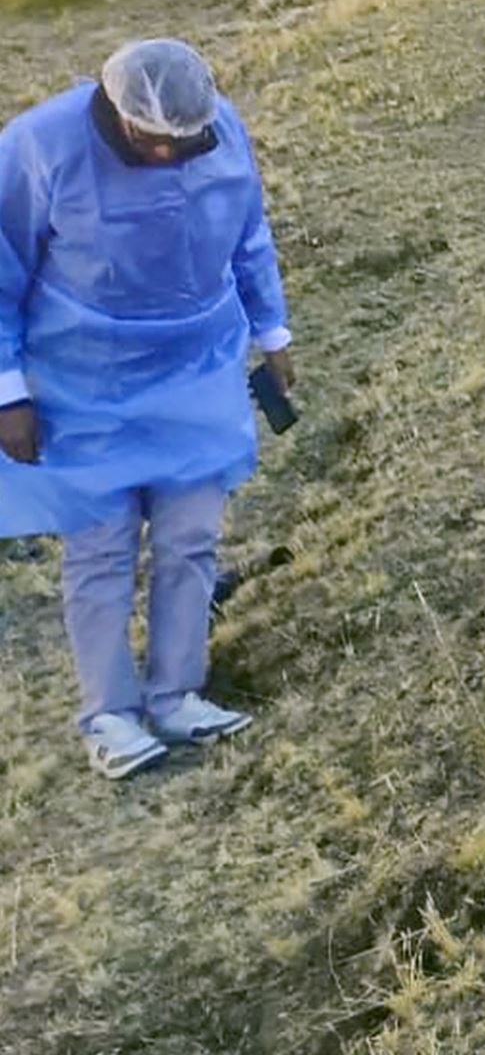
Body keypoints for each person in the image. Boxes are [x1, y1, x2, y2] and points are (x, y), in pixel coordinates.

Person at [0, 39, 296, 779]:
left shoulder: (217, 127)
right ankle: (110, 715)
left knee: (190, 536)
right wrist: (8, 390)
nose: (170, 154)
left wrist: (273, 330)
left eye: (184, 142)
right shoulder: (40, 145)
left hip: (196, 370)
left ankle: (176, 695)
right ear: (116, 112)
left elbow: (249, 236)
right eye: (152, 140)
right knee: (99, 549)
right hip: (82, 386)